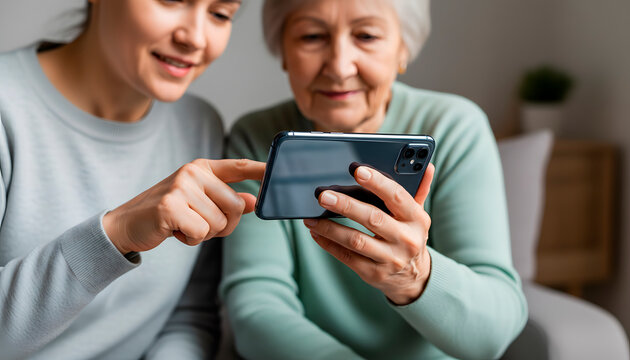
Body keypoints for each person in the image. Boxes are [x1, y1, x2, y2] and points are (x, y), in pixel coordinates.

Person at [220, 0, 528, 359]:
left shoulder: (455, 128)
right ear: (283, 52)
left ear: (403, 48)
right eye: (312, 36)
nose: (339, 66)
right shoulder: (256, 139)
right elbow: (256, 309)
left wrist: (414, 275)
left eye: (366, 35)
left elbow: (492, 336)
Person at [0, 0, 265, 359]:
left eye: (219, 13)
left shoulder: (200, 127)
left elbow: (187, 317)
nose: (195, 38)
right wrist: (117, 233)